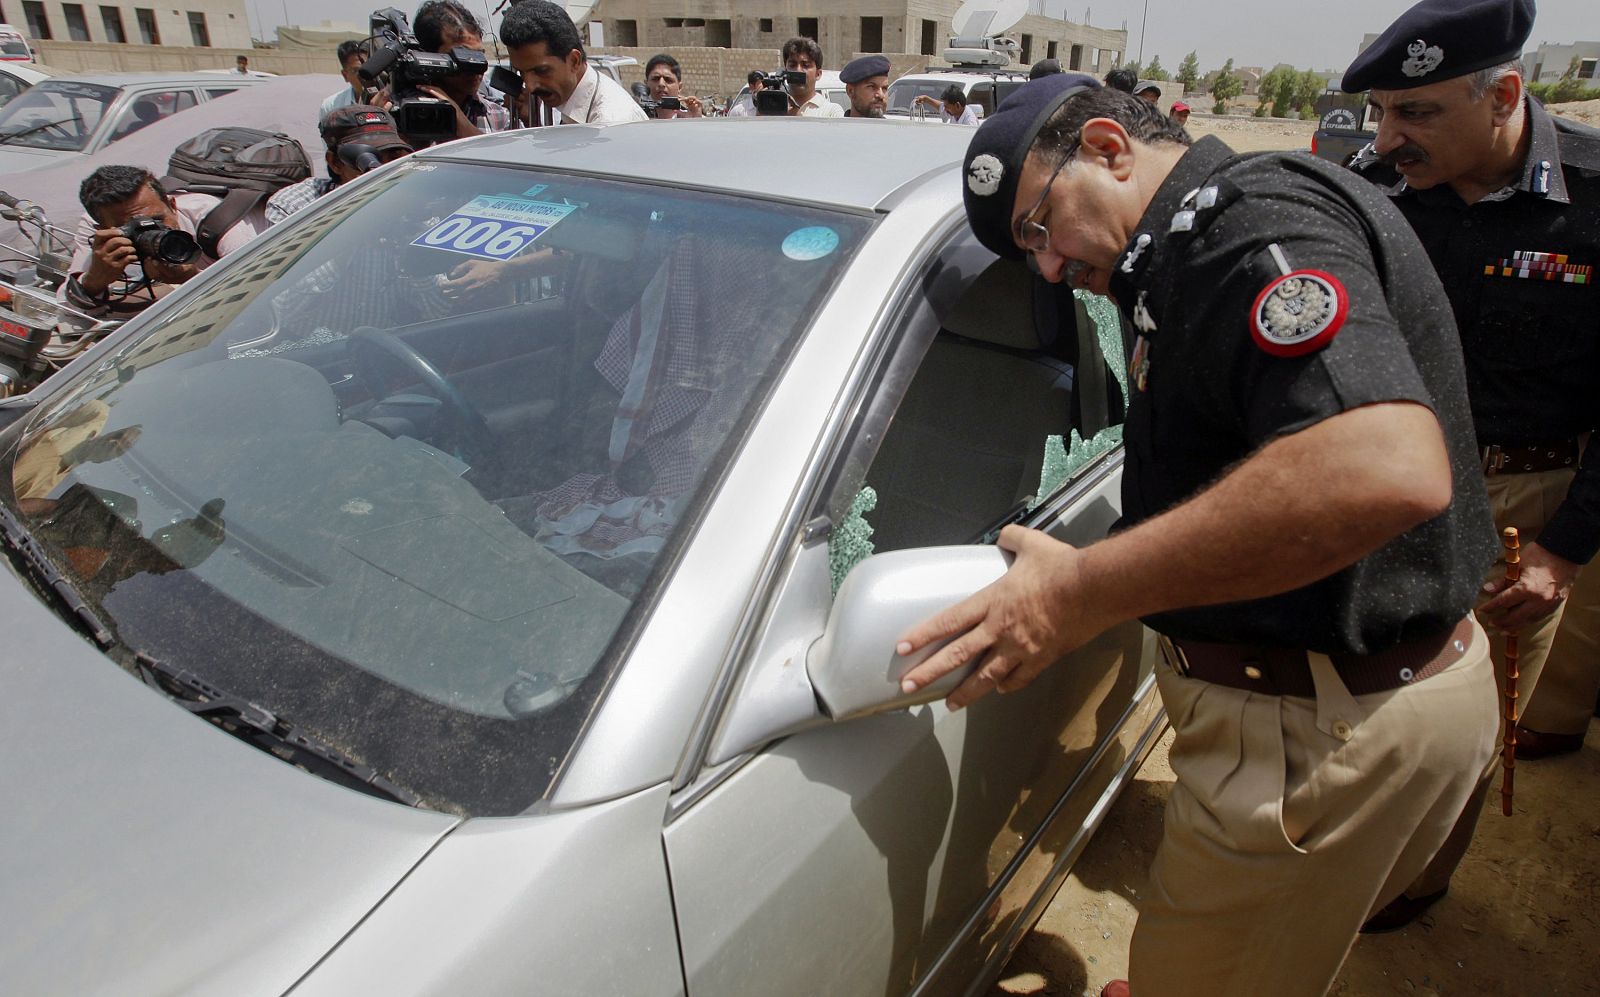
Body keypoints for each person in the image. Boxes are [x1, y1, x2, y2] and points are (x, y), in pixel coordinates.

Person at [897, 74, 1498, 997]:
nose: (1049, 269)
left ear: (1107, 147)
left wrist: (1076, 590)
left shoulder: (1247, 231)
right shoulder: (1190, 246)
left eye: (1036, 227)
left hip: (1318, 732)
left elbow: (1382, 463)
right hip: (1338, 700)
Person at [1340, 0, 1600, 930]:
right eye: (1379, 112)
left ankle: (1415, 882)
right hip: (1387, 483)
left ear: (1506, 96)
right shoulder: (1376, 191)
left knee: (1469, 714)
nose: (1388, 138)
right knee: (1375, 691)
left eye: (1416, 114)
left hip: (1523, 501)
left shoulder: (1592, 196)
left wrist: (1563, 550)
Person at [61, 166, 263, 320]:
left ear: (172, 205)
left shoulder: (217, 221)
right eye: (133, 228)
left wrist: (193, 279)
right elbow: (65, 307)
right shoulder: (98, 233)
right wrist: (94, 281)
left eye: (158, 220)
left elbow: (260, 295)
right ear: (101, 228)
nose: (152, 232)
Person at [500, 0, 646, 125]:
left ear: (574, 61)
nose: (530, 87)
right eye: (522, 73)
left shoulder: (609, 122)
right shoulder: (571, 107)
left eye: (541, 71)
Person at [266, 106, 413, 225]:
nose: (383, 168)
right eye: (368, 159)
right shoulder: (296, 207)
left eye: (393, 156)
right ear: (335, 163)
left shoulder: (414, 198)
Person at [390, 0, 507, 145]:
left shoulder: (498, 117)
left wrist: (463, 126)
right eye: (463, 56)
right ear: (428, 55)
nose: (476, 67)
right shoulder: (396, 116)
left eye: (479, 55)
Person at [780, 36, 842, 118]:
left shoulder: (831, 112)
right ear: (785, 71)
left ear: (818, 74)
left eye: (805, 65)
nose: (798, 70)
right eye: (792, 65)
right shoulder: (773, 107)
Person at [319, 40, 370, 119]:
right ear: (345, 75)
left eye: (368, 68)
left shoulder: (391, 101)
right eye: (356, 71)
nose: (364, 75)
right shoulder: (331, 107)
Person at [641, 53, 702, 118]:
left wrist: (694, 121)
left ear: (680, 87)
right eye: (656, 79)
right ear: (646, 85)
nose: (661, 84)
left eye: (668, 80)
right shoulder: (637, 117)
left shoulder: (689, 117)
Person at [840, 54, 889, 118]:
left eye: (884, 88)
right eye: (872, 87)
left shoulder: (893, 128)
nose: (881, 95)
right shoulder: (838, 127)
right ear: (851, 91)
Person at [913, 84, 979, 125]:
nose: (945, 109)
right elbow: (940, 106)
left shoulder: (970, 123)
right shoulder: (955, 112)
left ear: (957, 105)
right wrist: (926, 99)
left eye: (947, 107)